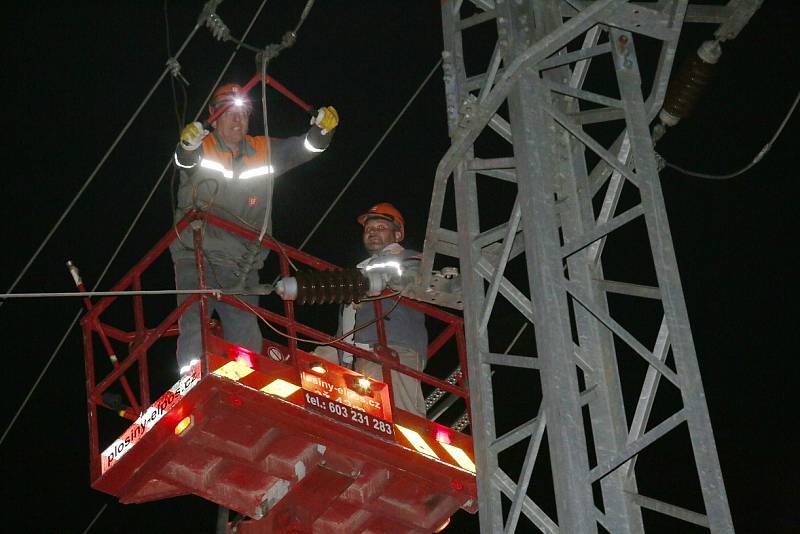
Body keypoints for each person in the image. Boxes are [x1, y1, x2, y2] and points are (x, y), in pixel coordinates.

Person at [170, 82, 339, 374]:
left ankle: (245, 378)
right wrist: (187, 145)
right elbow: (185, 159)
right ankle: (193, 379)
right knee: (195, 321)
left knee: (246, 330)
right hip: (197, 254)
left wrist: (323, 130)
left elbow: (307, 148)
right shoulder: (202, 146)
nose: (239, 119)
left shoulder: (262, 149)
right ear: (214, 115)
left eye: (244, 114)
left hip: (243, 263)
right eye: (230, 112)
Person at [344, 202, 428, 416]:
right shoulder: (360, 269)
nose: (372, 232)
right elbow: (348, 315)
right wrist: (343, 356)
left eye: (380, 228)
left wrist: (376, 282)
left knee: (401, 417)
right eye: (368, 229)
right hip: (361, 353)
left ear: (397, 234)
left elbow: (413, 281)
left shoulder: (410, 258)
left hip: (396, 347)